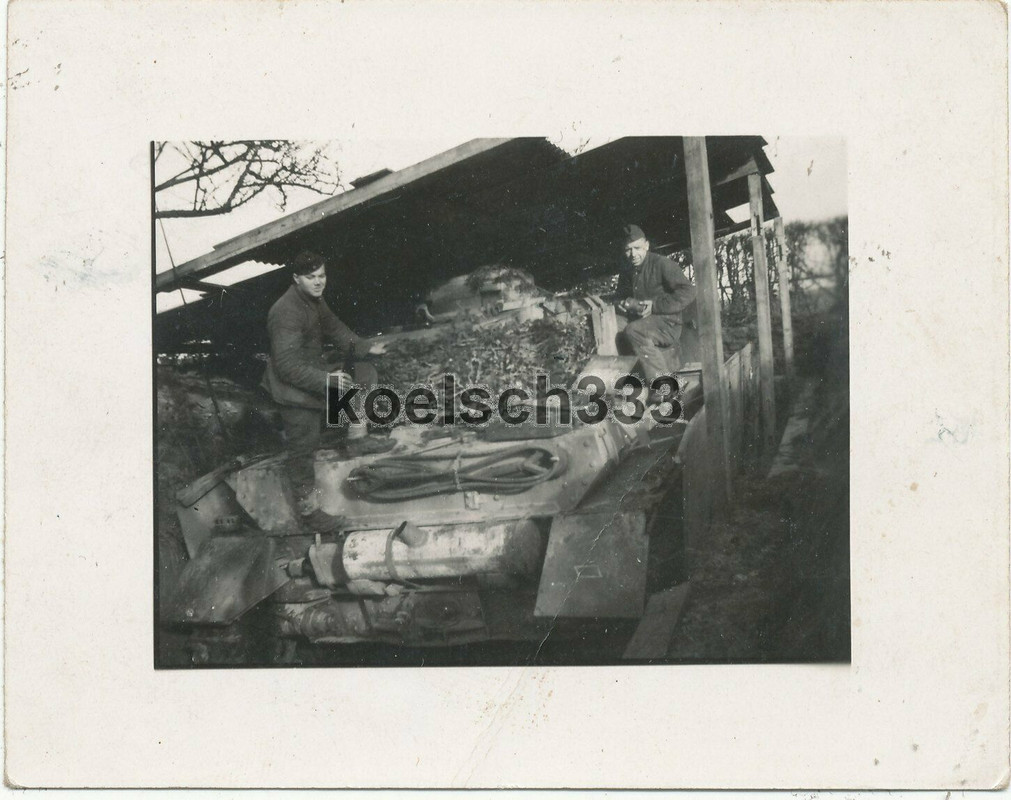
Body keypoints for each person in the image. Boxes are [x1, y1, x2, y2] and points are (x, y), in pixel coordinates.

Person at [261, 250, 389, 532]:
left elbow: (336, 329)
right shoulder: (285, 312)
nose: (319, 282)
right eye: (311, 277)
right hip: (291, 388)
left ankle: (356, 440)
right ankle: (310, 513)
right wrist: (327, 380)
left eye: (322, 276)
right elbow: (286, 366)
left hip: (314, 372)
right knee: (303, 447)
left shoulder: (314, 301)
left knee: (364, 372)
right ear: (296, 279)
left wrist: (367, 347)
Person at [614, 224, 696, 386]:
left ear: (647, 245)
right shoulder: (627, 271)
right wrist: (621, 304)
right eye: (628, 250)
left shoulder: (662, 264)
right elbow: (618, 297)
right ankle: (623, 381)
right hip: (642, 321)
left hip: (667, 323)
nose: (633, 254)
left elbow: (688, 291)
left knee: (634, 331)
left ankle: (663, 384)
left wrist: (655, 306)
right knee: (612, 325)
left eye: (637, 248)